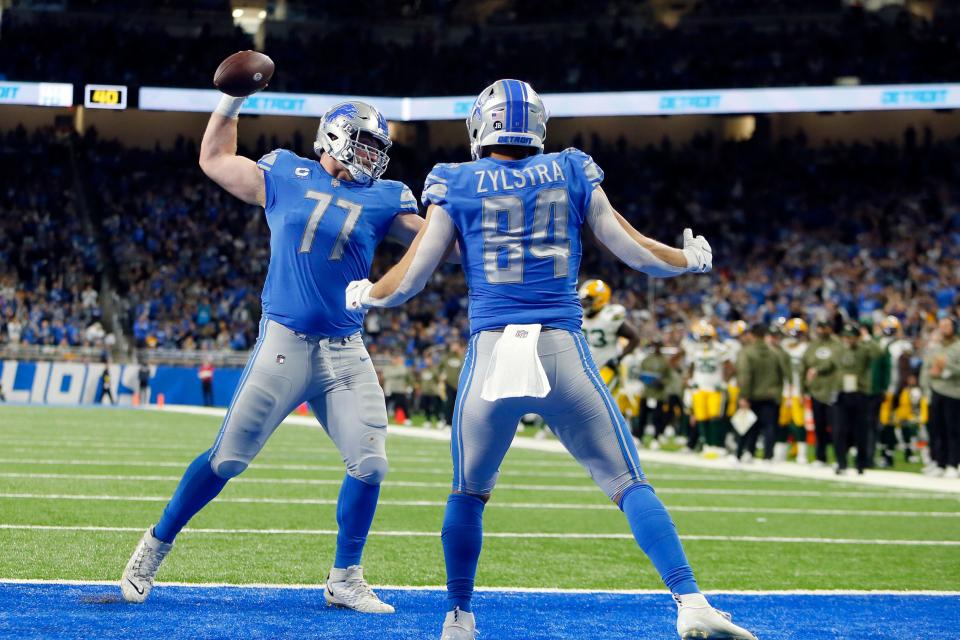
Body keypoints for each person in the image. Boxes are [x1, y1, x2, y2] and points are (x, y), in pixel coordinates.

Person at [345, 79, 757, 640]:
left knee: (468, 492)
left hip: (492, 351)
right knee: (629, 483)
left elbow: (410, 280)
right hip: (561, 348)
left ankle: (458, 617)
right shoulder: (570, 168)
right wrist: (688, 258)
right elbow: (633, 249)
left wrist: (368, 292)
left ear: (482, 127)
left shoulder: (455, 180)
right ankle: (690, 600)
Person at [119, 76, 433, 614]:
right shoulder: (286, 170)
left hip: (345, 350)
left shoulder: (385, 197)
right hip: (284, 342)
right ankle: (155, 543)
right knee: (228, 459)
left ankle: (345, 577)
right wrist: (232, 98)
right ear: (333, 136)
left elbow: (434, 242)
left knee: (370, 464)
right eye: (362, 142)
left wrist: (466, 215)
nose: (370, 156)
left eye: (377, 148)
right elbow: (216, 159)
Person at [735, 324, 787, 462]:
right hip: (771, 395)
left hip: (752, 395)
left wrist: (743, 396)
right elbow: (782, 374)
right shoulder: (775, 352)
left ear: (751, 335)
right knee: (770, 427)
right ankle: (768, 456)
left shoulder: (747, 352)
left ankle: (747, 452)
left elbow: (744, 376)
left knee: (749, 425)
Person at [578, 279, 639, 389]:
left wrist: (618, 358)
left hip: (606, 368)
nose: (584, 303)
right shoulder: (578, 316)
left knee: (597, 400)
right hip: (584, 369)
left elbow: (635, 338)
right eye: (583, 299)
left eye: (589, 299)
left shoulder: (609, 317)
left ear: (600, 299)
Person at [921, 316, 960, 478]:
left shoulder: (958, 347)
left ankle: (953, 463)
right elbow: (927, 368)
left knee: (953, 430)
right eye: (941, 325)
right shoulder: (935, 348)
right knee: (936, 429)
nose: (943, 328)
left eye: (947, 325)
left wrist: (946, 367)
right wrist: (927, 383)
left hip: (954, 393)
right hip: (935, 391)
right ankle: (939, 462)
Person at [685, 320, 730, 459]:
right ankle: (706, 445)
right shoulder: (694, 349)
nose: (704, 340)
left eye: (707, 337)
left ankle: (716, 445)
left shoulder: (720, 349)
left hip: (714, 388)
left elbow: (730, 367)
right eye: (702, 337)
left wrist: (724, 382)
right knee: (701, 417)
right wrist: (690, 379)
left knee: (715, 417)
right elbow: (691, 366)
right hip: (699, 387)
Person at [802, 321, 841, 467]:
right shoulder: (813, 345)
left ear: (829, 328)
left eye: (823, 327)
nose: (820, 330)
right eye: (818, 327)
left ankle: (838, 457)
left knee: (836, 427)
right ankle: (820, 457)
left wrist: (817, 369)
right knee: (819, 426)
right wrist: (804, 387)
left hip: (832, 390)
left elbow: (833, 361)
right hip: (816, 390)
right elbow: (805, 363)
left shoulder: (837, 344)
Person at [834, 323, 871, 475]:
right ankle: (841, 462)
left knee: (860, 431)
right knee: (840, 430)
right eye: (846, 336)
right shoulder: (839, 350)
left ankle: (860, 464)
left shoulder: (864, 349)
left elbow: (879, 353)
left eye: (851, 337)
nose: (848, 340)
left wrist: (867, 338)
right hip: (841, 393)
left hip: (859, 393)